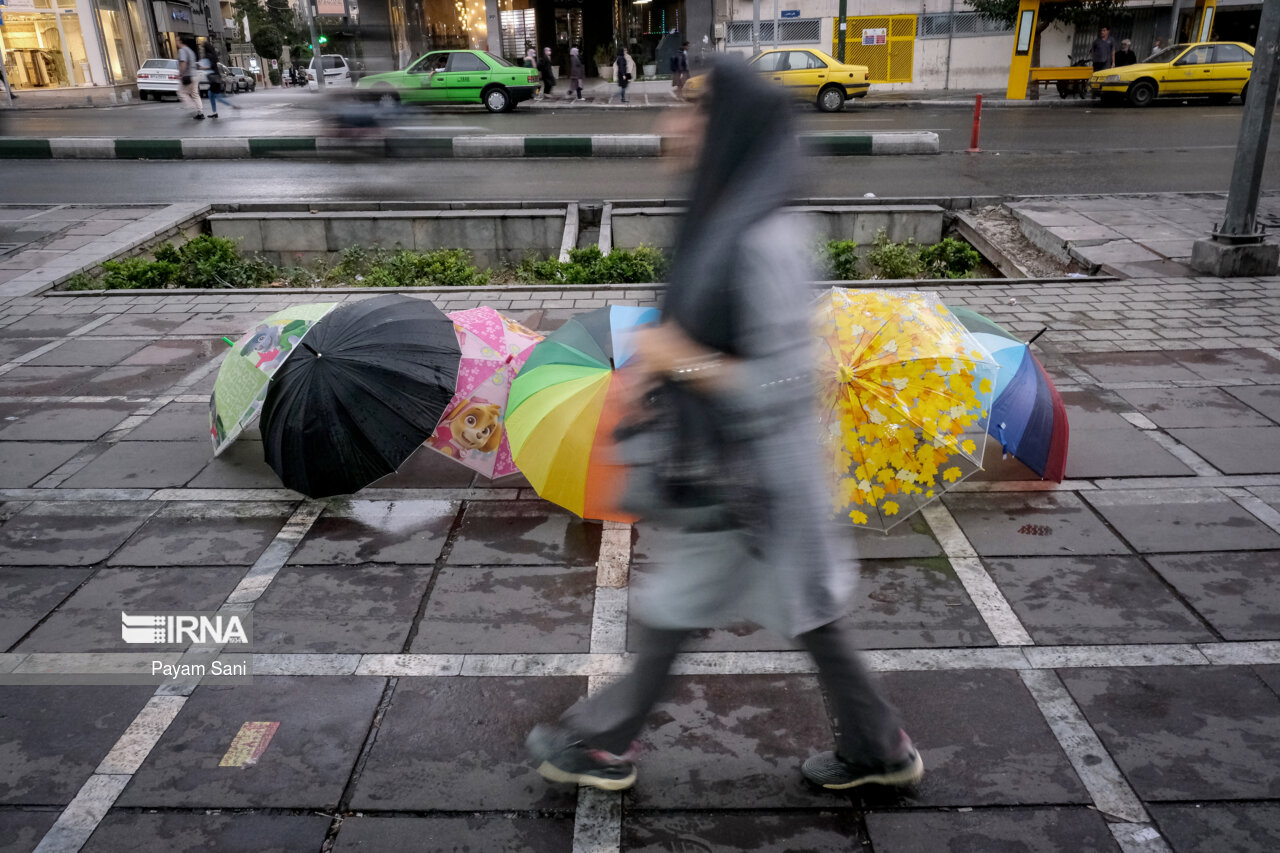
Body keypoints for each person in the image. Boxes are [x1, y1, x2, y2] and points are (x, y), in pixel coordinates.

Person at [524, 57, 924, 796]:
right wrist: (667, 362)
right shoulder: (726, 211)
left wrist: (680, 359)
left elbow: (786, 378)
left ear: (726, 128)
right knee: (797, 614)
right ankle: (878, 747)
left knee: (693, 609)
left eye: (689, 110)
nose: (668, 124)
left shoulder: (761, 235)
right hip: (735, 476)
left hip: (753, 483)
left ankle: (594, 739)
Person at [177, 35, 205, 120]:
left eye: (177, 40)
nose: (176, 42)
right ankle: (200, 112)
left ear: (181, 41)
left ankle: (192, 107)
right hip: (194, 75)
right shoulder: (191, 51)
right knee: (195, 94)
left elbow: (183, 63)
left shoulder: (182, 51)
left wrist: (181, 73)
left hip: (187, 75)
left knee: (181, 92)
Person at [200, 42, 228, 118]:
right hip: (215, 77)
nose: (201, 50)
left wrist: (203, 67)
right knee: (211, 95)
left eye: (202, 48)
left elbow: (210, 65)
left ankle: (232, 106)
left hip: (213, 78)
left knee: (216, 96)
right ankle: (214, 112)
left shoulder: (208, 56)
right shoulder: (213, 55)